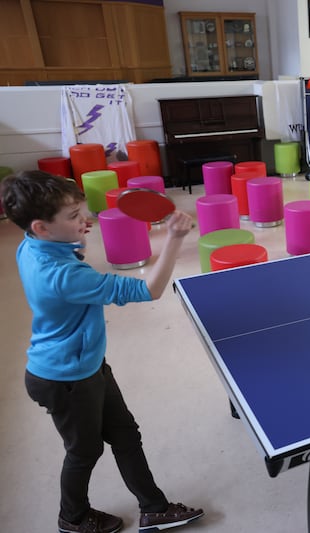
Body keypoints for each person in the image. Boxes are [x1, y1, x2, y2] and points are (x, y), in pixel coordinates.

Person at [1, 170, 204, 533]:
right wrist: (174, 238)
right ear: (41, 227)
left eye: (82, 211)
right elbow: (150, 291)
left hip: (87, 367)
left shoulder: (29, 245)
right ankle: (73, 518)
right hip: (66, 378)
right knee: (84, 451)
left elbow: (65, 250)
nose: (87, 219)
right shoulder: (64, 277)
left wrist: (73, 238)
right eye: (74, 216)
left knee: (126, 435)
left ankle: (154, 509)